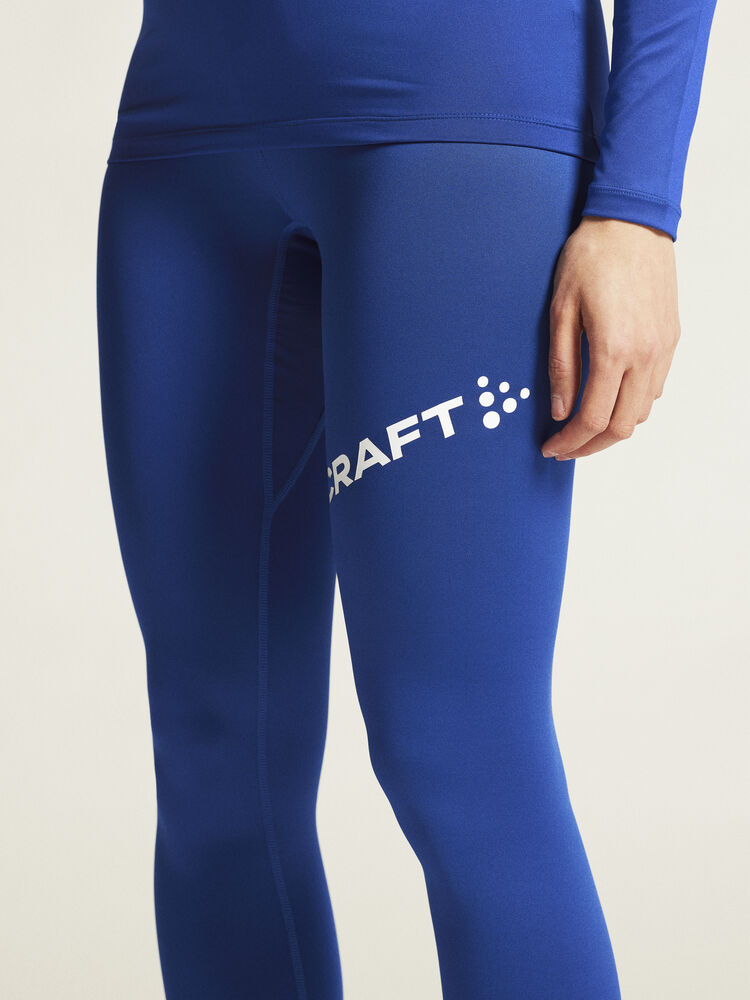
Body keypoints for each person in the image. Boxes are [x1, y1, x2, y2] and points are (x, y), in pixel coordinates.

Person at [96, 1, 716, 997]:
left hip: (458, 106)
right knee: (214, 754)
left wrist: (639, 203)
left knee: (458, 750)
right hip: (182, 137)